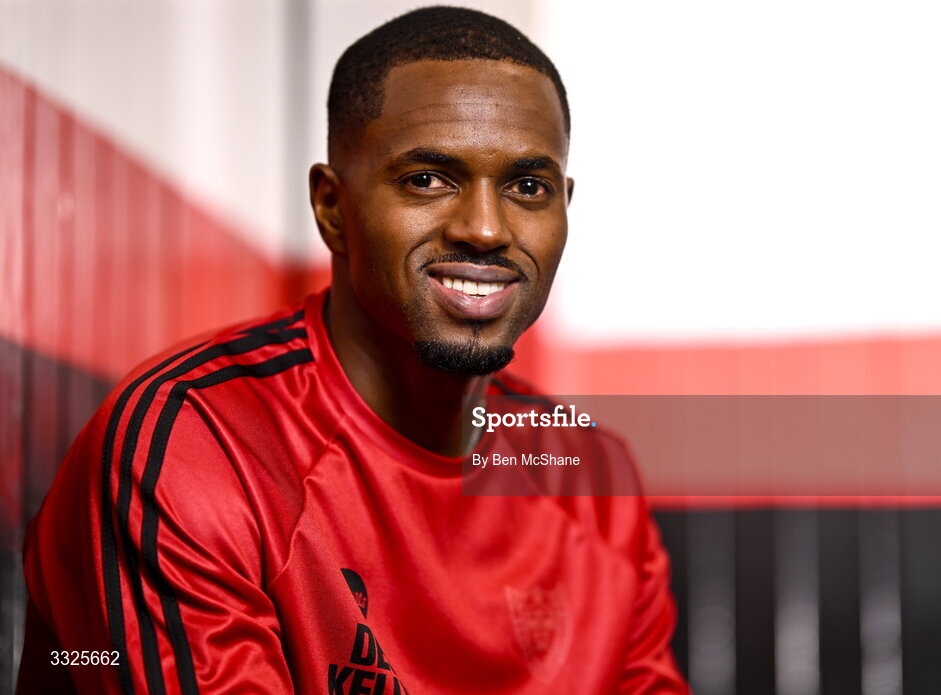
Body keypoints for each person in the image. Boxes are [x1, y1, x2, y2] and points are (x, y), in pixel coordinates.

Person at [18, 7, 688, 693]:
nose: (486, 228)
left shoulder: (594, 479)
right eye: (428, 179)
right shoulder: (194, 443)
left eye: (527, 186)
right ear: (333, 207)